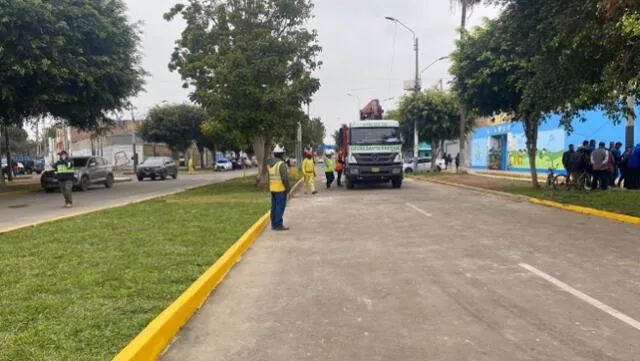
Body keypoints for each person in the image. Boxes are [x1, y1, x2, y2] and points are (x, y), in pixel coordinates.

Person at [268, 144, 290, 231]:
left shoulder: (271, 164)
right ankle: (278, 225)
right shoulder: (281, 164)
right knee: (280, 207)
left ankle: (273, 224)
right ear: (281, 154)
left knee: (274, 207)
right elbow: (284, 178)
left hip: (273, 188)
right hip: (280, 189)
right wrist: (288, 188)